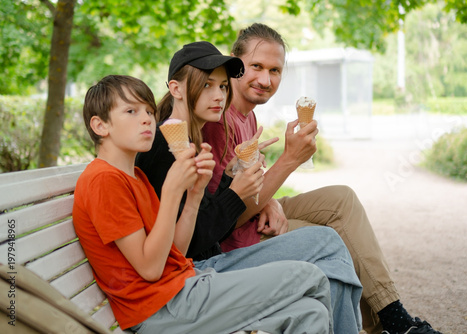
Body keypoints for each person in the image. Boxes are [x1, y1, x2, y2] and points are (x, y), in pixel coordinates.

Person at [201, 23, 443, 334]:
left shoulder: (247, 116)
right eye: (256, 66)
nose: (265, 79)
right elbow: (221, 220)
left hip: (253, 211)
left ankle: (393, 318)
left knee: (342, 199)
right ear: (235, 63)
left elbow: (245, 186)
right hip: (232, 240)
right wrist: (289, 160)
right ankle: (395, 326)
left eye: (275, 70)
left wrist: (270, 199)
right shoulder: (217, 118)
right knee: (333, 237)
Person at [73, 74, 337, 334]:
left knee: (311, 313)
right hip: (161, 307)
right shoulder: (103, 180)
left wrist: (195, 195)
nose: (146, 119)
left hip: (182, 288)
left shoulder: (134, 177)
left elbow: (176, 250)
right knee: (309, 276)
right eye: (131, 111)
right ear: (100, 126)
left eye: (149, 111)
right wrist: (172, 191)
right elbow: (151, 269)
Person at [135, 41, 363, 333]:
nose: (218, 96)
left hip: (208, 266)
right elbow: (190, 244)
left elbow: (202, 221)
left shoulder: (189, 141)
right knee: (326, 248)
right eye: (207, 85)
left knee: (328, 248)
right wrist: (235, 194)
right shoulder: (166, 148)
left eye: (222, 86)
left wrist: (231, 179)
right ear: (176, 89)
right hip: (197, 278)